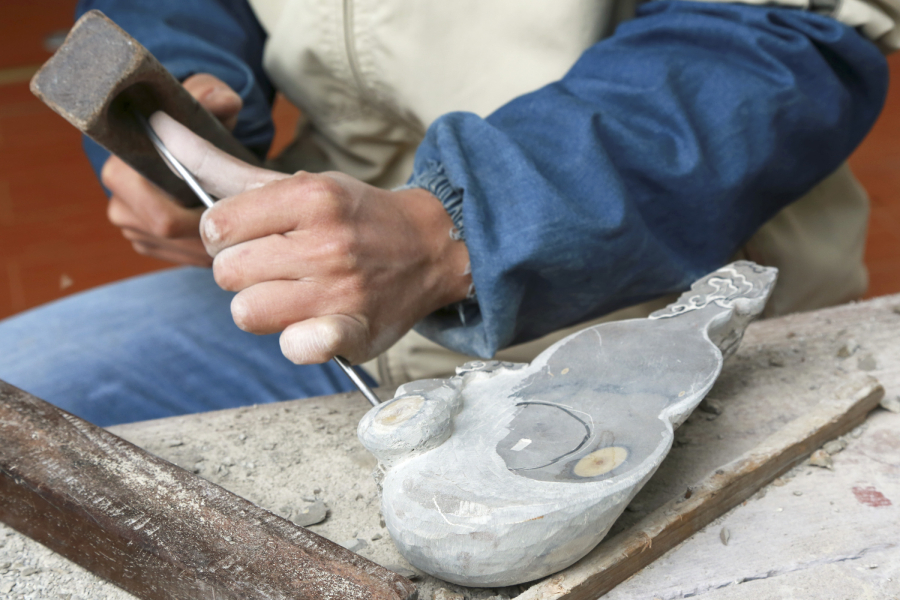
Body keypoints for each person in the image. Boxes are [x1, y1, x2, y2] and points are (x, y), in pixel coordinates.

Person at [1, 0, 897, 425]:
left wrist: (456, 231)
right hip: (322, 299)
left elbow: (780, 36)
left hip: (650, 326)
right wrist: (185, 112)